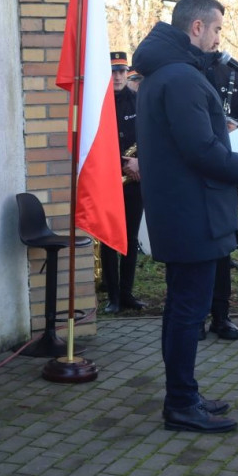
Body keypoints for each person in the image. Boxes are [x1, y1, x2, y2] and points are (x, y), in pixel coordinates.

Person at [133, 0, 238, 432]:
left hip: (183, 209)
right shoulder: (182, 78)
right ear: (197, 28)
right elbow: (201, 151)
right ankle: (180, 404)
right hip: (194, 213)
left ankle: (184, 393)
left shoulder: (166, 74)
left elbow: (187, 139)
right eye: (216, 30)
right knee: (188, 311)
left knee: (182, 308)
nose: (217, 40)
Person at [201, 52, 238, 340]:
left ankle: (221, 315)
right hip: (197, 172)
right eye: (214, 30)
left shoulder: (233, 73)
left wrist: (237, 123)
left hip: (228, 164)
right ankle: (196, 317)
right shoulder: (189, 72)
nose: (216, 40)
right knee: (197, 249)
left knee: (224, 247)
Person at [99, 52, 146, 314]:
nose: (117, 76)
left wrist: (138, 163)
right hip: (109, 178)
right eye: (112, 71)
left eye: (121, 71)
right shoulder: (100, 103)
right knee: (109, 238)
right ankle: (113, 295)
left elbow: (151, 136)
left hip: (135, 179)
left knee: (129, 237)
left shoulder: (138, 101)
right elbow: (97, 144)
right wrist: (121, 162)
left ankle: (127, 292)